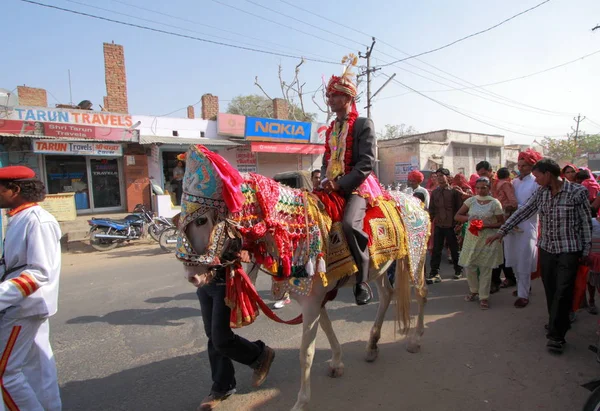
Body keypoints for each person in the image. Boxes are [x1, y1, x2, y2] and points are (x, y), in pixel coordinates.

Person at [487, 158, 593, 354]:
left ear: (548, 174)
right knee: (551, 290)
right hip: (547, 249)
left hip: (569, 249)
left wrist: (585, 251)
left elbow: (586, 223)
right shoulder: (541, 193)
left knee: (563, 291)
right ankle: (557, 322)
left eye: (537, 176)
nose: (535, 181)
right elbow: (523, 212)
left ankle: (556, 336)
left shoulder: (578, 192)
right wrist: (501, 232)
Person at [0, 165, 62, 410]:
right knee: (38, 369)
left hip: (24, 307)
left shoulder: (38, 220)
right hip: (23, 305)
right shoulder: (20, 217)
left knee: (5, 374)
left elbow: (38, 273)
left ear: (14, 190)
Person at [320, 55, 381, 305]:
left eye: (334, 95)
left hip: (357, 186)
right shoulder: (332, 128)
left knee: (348, 224)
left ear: (347, 98)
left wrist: (341, 183)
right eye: (329, 96)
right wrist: (324, 179)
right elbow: (327, 160)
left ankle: (363, 279)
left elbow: (366, 163)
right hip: (333, 185)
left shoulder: (363, 124)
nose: (330, 100)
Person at [196, 262, 276, 410]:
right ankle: (223, 386)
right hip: (203, 282)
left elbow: (247, 240)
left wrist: (243, 249)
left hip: (224, 280)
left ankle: (259, 355)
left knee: (220, 338)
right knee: (213, 336)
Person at [455, 177, 505, 310]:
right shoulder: (471, 201)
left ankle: (484, 297)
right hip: (472, 238)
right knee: (469, 266)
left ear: (489, 188)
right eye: (478, 187)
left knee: (485, 268)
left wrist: (487, 225)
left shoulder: (495, 203)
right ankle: (473, 290)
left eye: (484, 187)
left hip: (488, 239)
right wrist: (469, 218)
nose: (480, 190)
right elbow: (457, 216)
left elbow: (502, 222)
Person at [503, 149, 543, 308]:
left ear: (532, 166)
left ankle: (523, 294)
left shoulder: (536, 182)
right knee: (513, 257)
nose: (521, 168)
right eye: (519, 165)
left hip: (528, 224)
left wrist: (516, 208)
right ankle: (522, 286)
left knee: (524, 259)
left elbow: (535, 206)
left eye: (524, 165)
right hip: (512, 225)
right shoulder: (514, 182)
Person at [427, 168, 463, 283]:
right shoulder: (435, 192)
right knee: (436, 249)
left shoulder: (454, 192)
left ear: (448, 177)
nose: (439, 178)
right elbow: (432, 209)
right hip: (439, 224)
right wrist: (430, 221)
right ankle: (434, 272)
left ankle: (458, 270)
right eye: (437, 176)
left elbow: (459, 209)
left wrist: (458, 224)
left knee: (454, 249)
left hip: (451, 225)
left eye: (441, 176)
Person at [490, 167, 518, 292]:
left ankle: (501, 279)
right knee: (502, 251)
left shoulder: (496, 184)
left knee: (501, 251)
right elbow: (513, 202)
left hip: (498, 220)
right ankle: (507, 278)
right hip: (505, 219)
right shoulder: (506, 184)